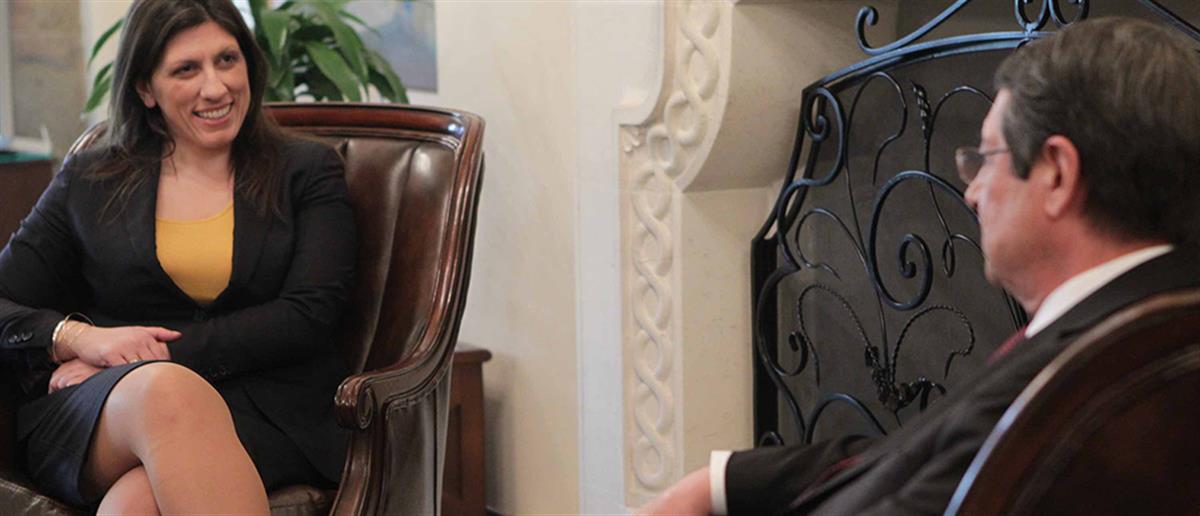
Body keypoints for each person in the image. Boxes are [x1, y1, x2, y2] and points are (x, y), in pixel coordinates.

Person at [638, 16, 1200, 516]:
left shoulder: (1077, 380)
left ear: (1056, 173)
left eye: (985, 159)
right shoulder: (1145, 321)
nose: (972, 192)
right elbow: (936, 448)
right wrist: (722, 482)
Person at [0, 0, 356, 513]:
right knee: (165, 394)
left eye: (227, 60)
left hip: (265, 406)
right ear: (146, 88)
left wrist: (150, 355)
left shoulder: (307, 169)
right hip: (104, 404)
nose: (216, 87)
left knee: (135, 504)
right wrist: (81, 340)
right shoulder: (90, 179)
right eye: (186, 69)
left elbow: (308, 314)